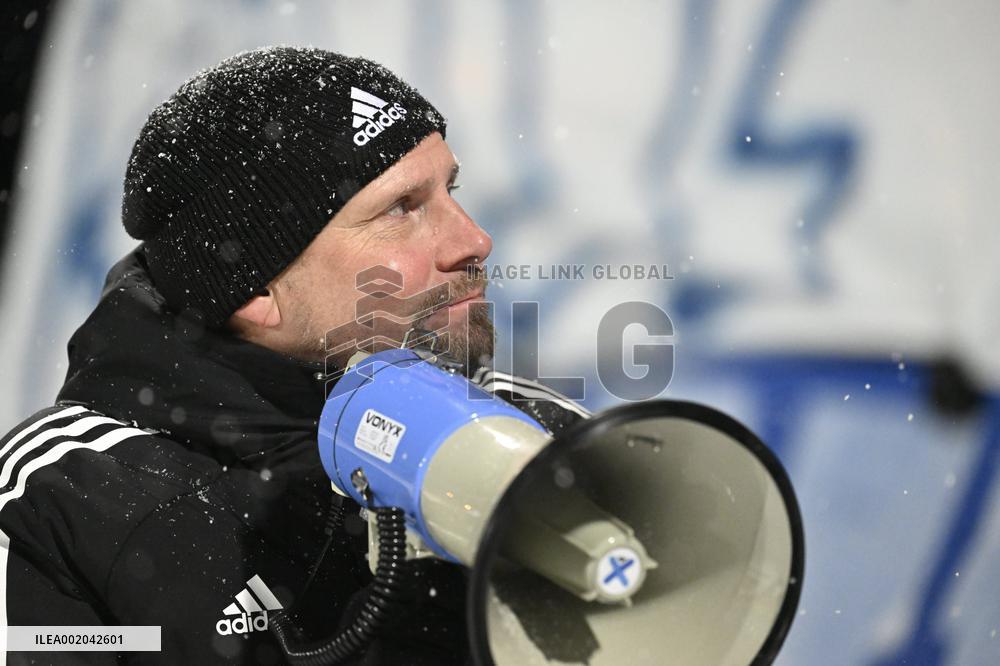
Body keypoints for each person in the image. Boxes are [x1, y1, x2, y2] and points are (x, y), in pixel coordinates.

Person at [0, 46, 583, 665]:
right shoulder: (65, 499)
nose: (474, 240)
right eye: (401, 209)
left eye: (450, 190)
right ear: (256, 290)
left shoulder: (523, 424)